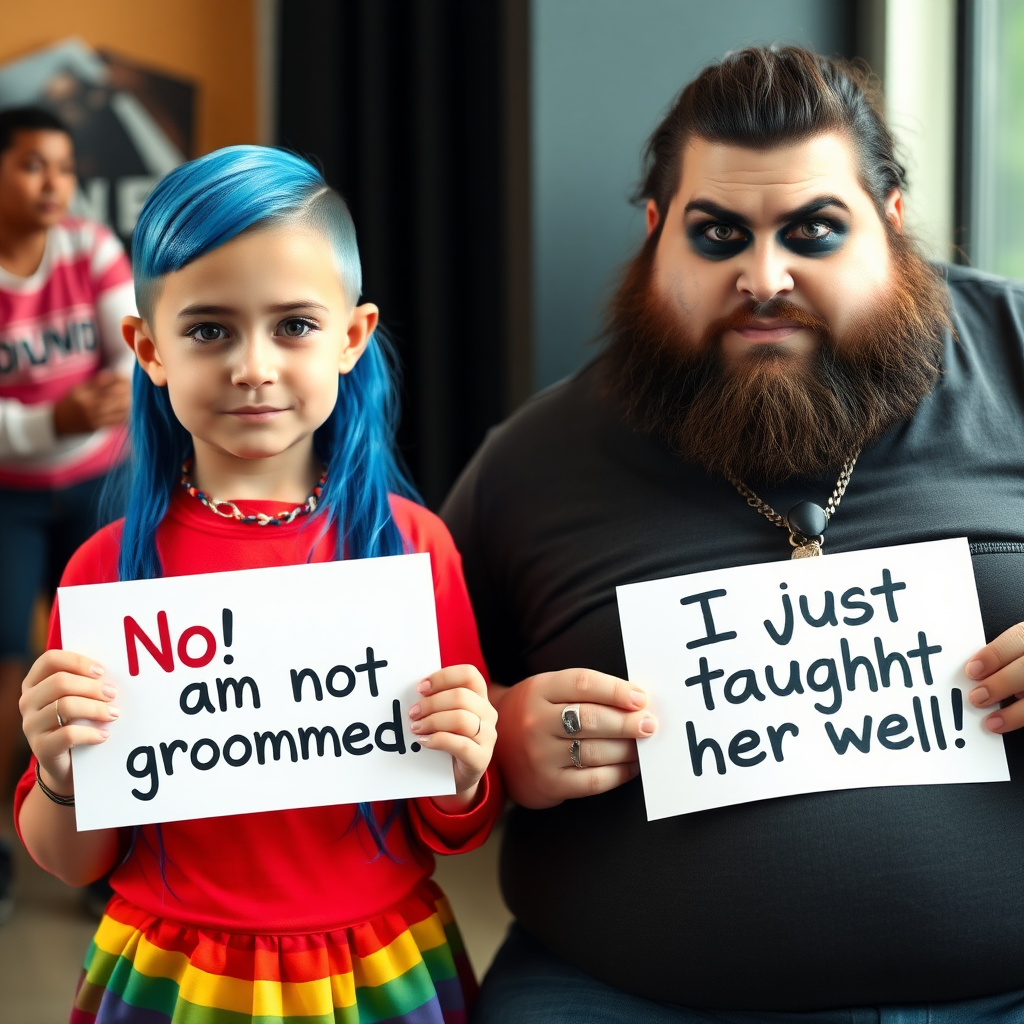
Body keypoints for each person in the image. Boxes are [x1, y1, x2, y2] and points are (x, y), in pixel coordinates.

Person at [442, 46, 1024, 1022]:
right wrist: (497, 738)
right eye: (717, 235)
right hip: (627, 995)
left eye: (813, 232)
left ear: (888, 224)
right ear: (654, 232)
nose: (764, 276)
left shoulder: (1014, 353)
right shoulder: (530, 462)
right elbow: (393, 728)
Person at [14, 145, 501, 1023]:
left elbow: (453, 826)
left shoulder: (411, 551)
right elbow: (71, 860)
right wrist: (56, 768)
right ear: (147, 349)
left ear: (352, 337)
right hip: (172, 971)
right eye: (208, 330)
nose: (252, 366)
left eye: (293, 326)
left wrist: (466, 765)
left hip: (374, 965)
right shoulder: (105, 573)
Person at [0, 106, 134, 922]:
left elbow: (128, 352)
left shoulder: (90, 245)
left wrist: (108, 403)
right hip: (8, 493)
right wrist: (53, 421)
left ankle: (102, 842)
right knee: (7, 672)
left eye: (63, 166)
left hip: (96, 480)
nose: (54, 184)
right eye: (30, 166)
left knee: (101, 665)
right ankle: (5, 852)